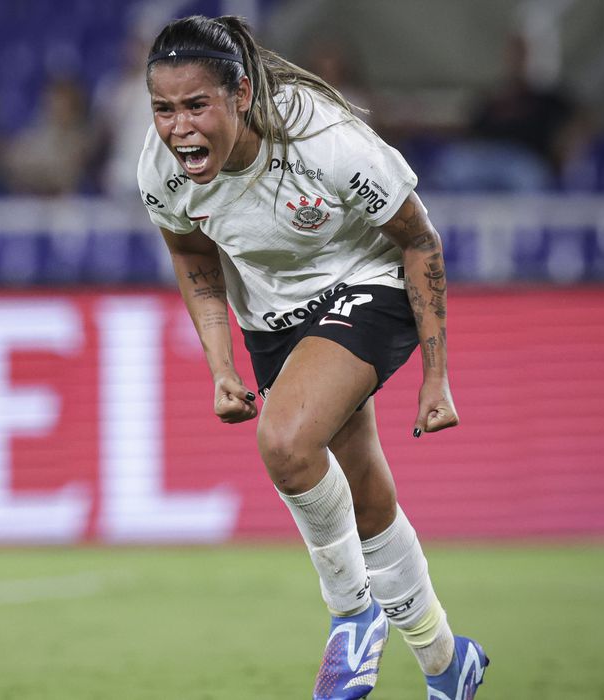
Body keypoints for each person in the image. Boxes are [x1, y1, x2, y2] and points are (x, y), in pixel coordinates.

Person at [137, 15, 488, 699]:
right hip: (272, 319)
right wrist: (221, 366)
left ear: (240, 94)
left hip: (369, 282)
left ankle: (353, 616)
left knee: (288, 441)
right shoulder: (160, 170)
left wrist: (436, 375)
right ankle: (448, 663)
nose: (178, 128)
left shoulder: (325, 140)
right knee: (363, 496)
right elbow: (192, 257)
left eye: (195, 105)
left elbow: (420, 241)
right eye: (163, 109)